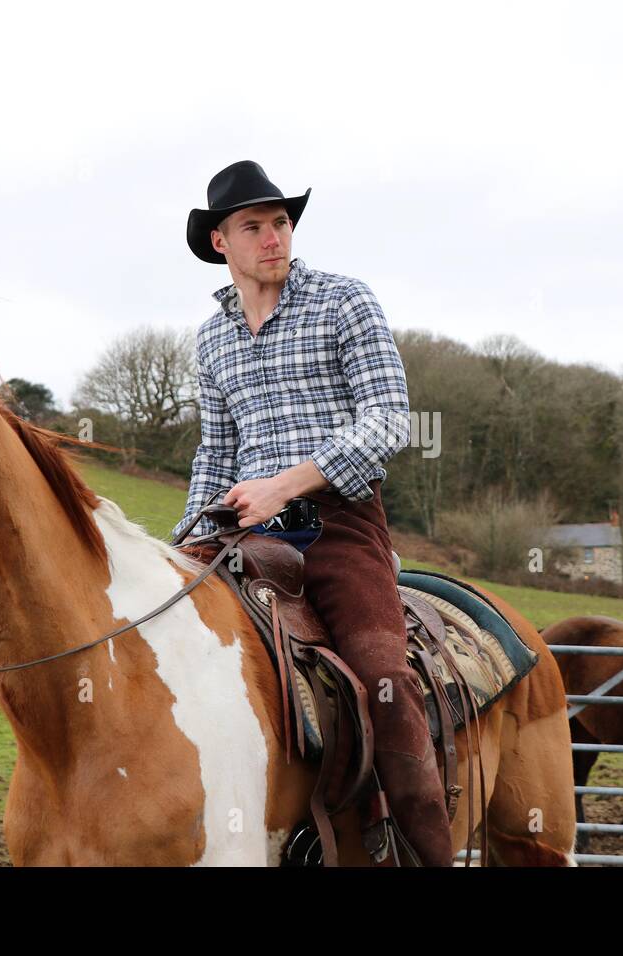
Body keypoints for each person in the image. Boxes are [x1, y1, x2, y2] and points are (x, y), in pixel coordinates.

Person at [173, 160, 453, 866]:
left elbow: (390, 419)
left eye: (281, 222)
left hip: (339, 527)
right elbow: (217, 449)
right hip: (238, 534)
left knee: (386, 684)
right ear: (219, 243)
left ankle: (425, 852)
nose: (274, 237)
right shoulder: (211, 339)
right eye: (254, 226)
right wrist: (180, 544)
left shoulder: (343, 302)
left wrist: (286, 485)